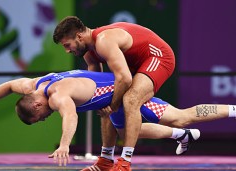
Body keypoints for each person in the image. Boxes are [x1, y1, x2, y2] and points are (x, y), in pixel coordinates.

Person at [0, 70, 236, 168]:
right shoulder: (33, 86)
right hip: (114, 102)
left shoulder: (57, 97)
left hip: (129, 93)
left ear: (38, 107)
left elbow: (70, 119)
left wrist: (65, 144)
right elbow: (6, 86)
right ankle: (182, 138)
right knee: (126, 130)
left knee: (180, 117)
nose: (43, 121)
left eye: (39, 119)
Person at [53, 16, 176, 170]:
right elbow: (96, 84)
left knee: (131, 99)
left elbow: (124, 79)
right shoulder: (88, 52)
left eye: (67, 45)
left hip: (158, 57)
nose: (67, 51)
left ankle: (125, 162)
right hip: (137, 63)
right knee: (106, 101)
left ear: (79, 36)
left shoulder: (103, 41)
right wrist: (103, 103)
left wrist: (113, 105)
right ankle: (105, 160)